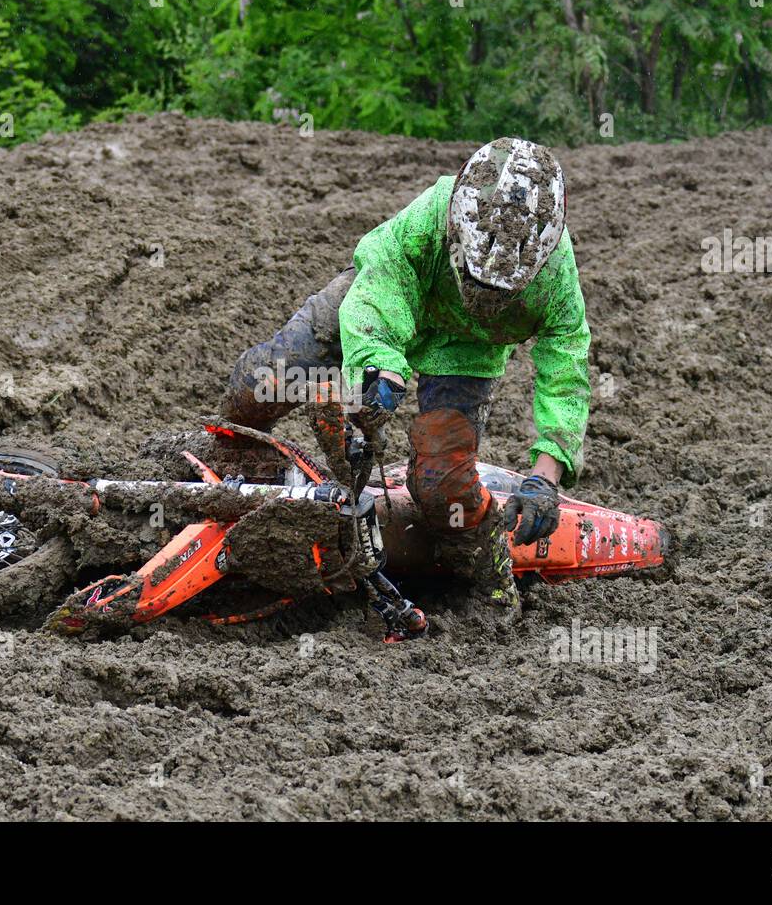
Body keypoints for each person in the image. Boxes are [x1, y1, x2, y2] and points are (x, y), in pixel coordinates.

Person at [221, 137, 591, 608]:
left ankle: (488, 573)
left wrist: (546, 474)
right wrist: (379, 367)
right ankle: (227, 450)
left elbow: (566, 369)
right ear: (457, 228)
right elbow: (381, 286)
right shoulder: (429, 218)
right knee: (268, 378)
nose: (482, 296)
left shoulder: (557, 280)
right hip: (385, 300)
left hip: (465, 352)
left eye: (500, 291)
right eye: (475, 280)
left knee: (443, 488)